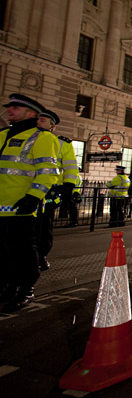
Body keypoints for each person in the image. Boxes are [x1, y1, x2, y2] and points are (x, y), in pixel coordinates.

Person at [0, 94, 59, 312]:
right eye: (9, 107)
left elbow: (48, 172)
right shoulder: (3, 134)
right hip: (0, 207)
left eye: (15, 108)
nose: (9, 111)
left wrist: (33, 197)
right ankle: (7, 286)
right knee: (3, 253)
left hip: (20, 207)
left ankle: (26, 289)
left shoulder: (42, 138)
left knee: (22, 251)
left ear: (31, 113)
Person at [35, 109, 80, 271]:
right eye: (37, 119)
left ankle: (41, 255)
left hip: (49, 192)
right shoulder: (25, 139)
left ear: (52, 126)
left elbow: (70, 167)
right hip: (22, 190)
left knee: (44, 225)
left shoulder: (62, 143)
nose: (38, 123)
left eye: (42, 121)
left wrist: (68, 186)